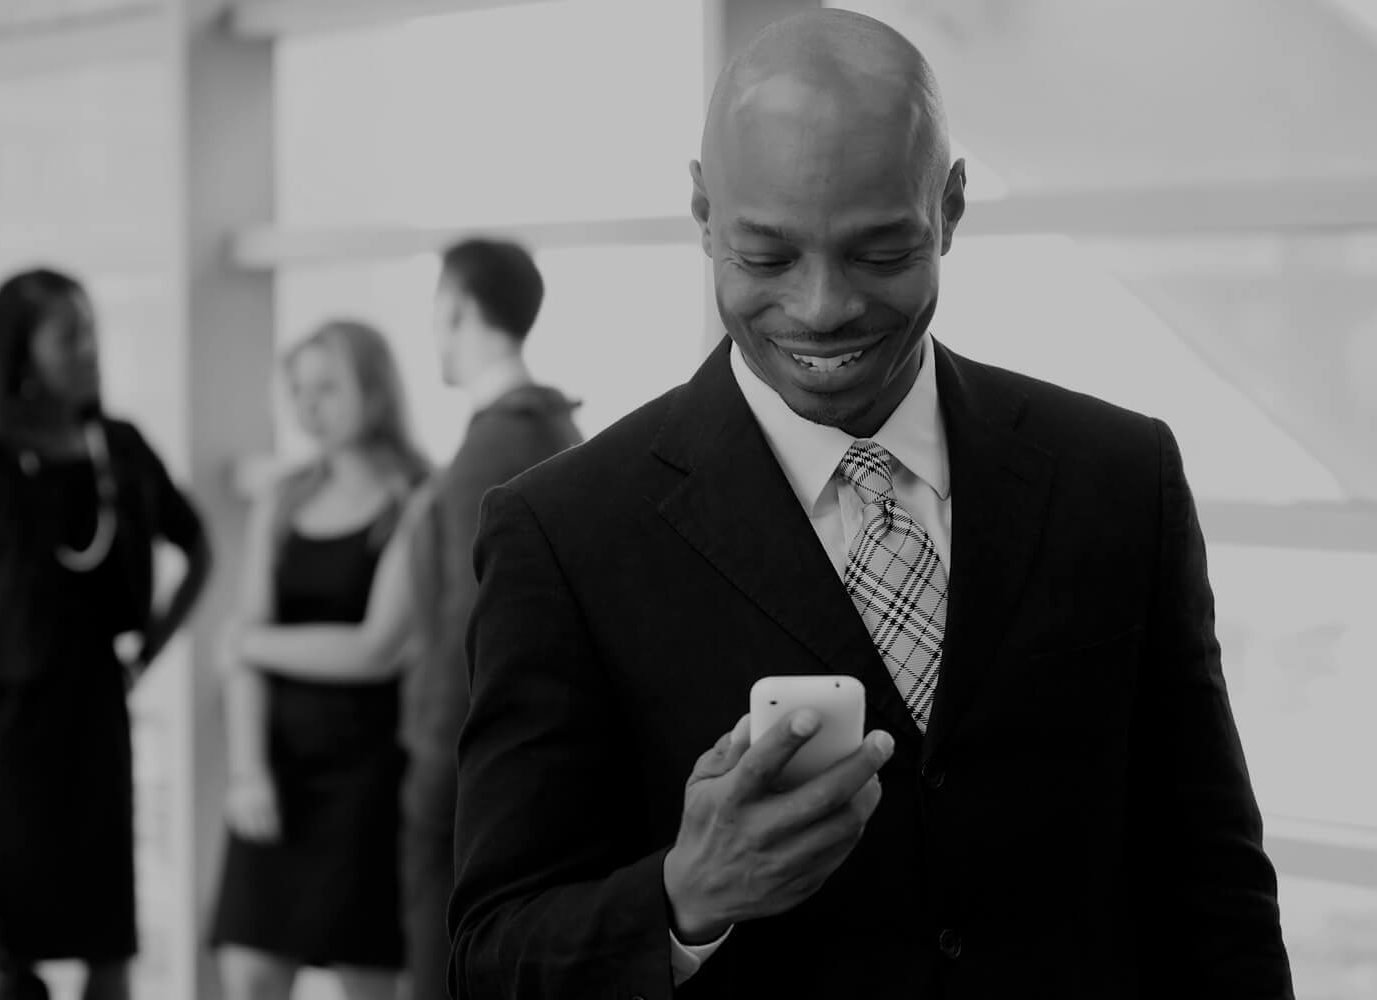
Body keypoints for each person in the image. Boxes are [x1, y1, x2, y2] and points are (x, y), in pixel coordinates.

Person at [447, 11, 1293, 1000]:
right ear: (703, 213)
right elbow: (493, 958)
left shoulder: (1117, 476)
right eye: (767, 259)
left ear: (951, 207)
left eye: (881, 254)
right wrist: (683, 898)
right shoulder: (567, 534)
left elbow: (1215, 884)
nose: (822, 309)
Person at [0, 268, 213, 1000]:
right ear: (20, 352)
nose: (90, 349)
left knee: (107, 937)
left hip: (93, 728)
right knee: (2, 949)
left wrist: (148, 651)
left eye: (91, 331)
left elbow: (200, 548)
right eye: (69, 336)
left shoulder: (120, 448)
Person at [209, 320, 433, 1000]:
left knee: (365, 981)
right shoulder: (281, 499)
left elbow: (376, 649)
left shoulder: (417, 499)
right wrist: (247, 771)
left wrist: (248, 641)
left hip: (365, 780)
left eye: (328, 387)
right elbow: (242, 664)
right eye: (299, 389)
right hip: (274, 773)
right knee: (247, 973)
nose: (309, 406)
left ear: (375, 390)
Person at [396, 237, 583, 1000]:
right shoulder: (550, 427)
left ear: (458, 309)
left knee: (442, 960)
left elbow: (465, 626)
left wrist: (431, 764)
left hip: (468, 760)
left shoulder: (498, 442)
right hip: (519, 755)